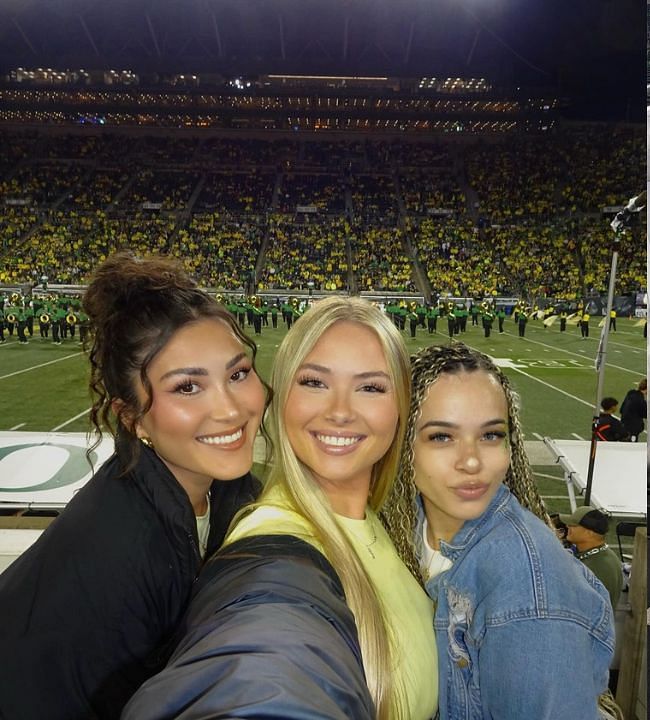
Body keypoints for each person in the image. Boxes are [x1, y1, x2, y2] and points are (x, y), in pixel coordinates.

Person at [125, 296, 438, 720]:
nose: (341, 412)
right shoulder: (273, 546)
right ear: (282, 394)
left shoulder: (372, 522)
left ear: (400, 408)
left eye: (370, 387)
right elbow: (265, 657)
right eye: (314, 382)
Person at [0, 252, 266, 719]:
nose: (230, 409)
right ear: (132, 417)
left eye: (238, 373)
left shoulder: (215, 486)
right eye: (187, 387)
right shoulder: (126, 550)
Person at [383, 342, 614, 718]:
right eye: (442, 436)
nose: (472, 460)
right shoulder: (409, 523)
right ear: (403, 443)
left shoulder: (529, 589)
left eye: (490, 435)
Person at [563, 507, 625, 610]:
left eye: (573, 525)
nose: (567, 526)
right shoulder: (605, 555)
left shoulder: (596, 567)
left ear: (589, 532)